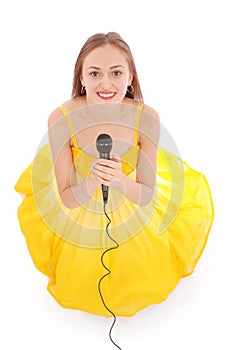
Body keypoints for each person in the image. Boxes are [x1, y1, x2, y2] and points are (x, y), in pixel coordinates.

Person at [15, 32, 214, 319]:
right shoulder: (61, 119)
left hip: (131, 188)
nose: (105, 83)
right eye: (94, 73)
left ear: (130, 77)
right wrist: (90, 184)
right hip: (80, 191)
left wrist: (120, 179)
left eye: (116, 73)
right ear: (81, 78)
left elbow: (146, 195)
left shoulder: (147, 118)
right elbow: (69, 199)